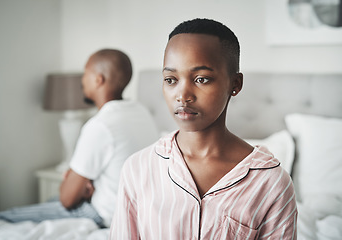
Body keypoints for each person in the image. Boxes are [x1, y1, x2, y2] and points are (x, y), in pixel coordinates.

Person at [109, 19, 297, 239]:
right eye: (171, 79)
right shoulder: (138, 169)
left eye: (201, 79)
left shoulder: (271, 184)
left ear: (235, 84)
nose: (182, 95)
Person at [0, 49, 159, 228]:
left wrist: (77, 185)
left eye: (85, 73)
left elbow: (67, 199)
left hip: (103, 215)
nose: (82, 80)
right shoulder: (141, 112)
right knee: (50, 201)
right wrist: (87, 183)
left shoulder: (101, 125)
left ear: (98, 79)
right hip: (135, 211)